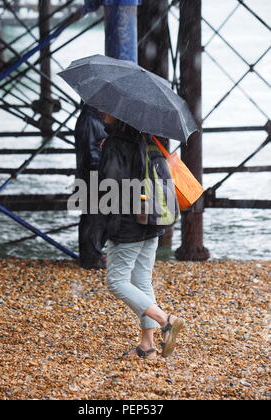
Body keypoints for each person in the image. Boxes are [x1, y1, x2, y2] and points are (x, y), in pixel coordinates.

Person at [98, 114, 185, 359]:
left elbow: (110, 187)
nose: (102, 114)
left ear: (120, 116)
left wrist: (104, 156)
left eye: (107, 112)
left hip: (128, 225)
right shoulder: (148, 140)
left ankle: (166, 320)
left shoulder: (115, 145)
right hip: (152, 221)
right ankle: (147, 347)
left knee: (116, 282)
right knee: (142, 281)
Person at [74, 103, 107, 269]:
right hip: (93, 175)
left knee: (96, 216)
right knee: (93, 217)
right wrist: (100, 171)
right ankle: (91, 258)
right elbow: (89, 152)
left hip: (93, 174)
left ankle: (93, 254)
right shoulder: (89, 120)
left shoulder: (94, 118)